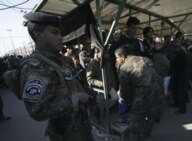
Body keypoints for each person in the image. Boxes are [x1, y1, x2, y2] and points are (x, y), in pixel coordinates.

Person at [5, 12, 94, 141]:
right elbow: (38, 110)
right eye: (54, 33)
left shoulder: (62, 60)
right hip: (66, 134)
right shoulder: (35, 67)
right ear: (38, 35)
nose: (61, 37)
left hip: (82, 127)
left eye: (60, 33)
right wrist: (77, 98)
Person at [114, 45, 160, 141]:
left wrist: (120, 95)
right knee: (150, 119)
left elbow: (124, 92)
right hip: (156, 94)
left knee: (135, 124)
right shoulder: (145, 59)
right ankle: (146, 137)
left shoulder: (124, 68)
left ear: (122, 56)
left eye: (117, 58)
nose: (116, 60)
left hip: (141, 98)